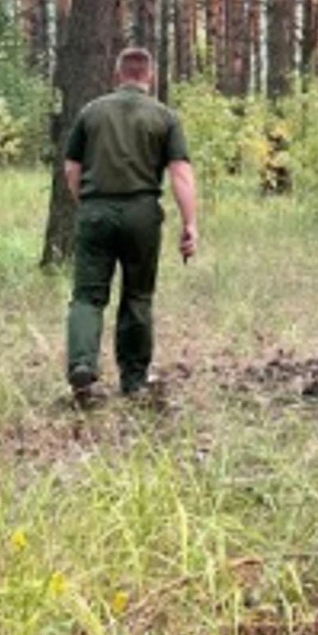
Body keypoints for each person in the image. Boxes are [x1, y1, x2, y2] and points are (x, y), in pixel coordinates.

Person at [61, 47, 199, 402]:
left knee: (88, 296)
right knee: (137, 296)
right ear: (149, 77)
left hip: (95, 210)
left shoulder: (91, 112)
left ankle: (82, 367)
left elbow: (71, 168)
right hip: (142, 213)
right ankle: (134, 381)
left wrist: (87, 203)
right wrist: (190, 224)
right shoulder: (164, 117)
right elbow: (180, 173)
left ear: (117, 74)